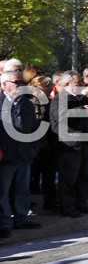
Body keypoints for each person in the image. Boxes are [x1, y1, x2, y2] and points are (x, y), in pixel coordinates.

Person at [0, 70, 42, 238]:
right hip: (5, 156)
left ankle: (21, 218)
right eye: (16, 83)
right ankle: (4, 222)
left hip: (24, 155)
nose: (19, 86)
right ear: (5, 85)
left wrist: (33, 149)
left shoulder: (26, 103)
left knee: (23, 190)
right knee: (2, 192)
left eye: (21, 83)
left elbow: (33, 129)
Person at [50, 71, 88, 217]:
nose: (82, 85)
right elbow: (62, 115)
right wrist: (83, 110)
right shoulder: (60, 99)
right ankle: (67, 207)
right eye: (78, 83)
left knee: (84, 177)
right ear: (67, 84)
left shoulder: (81, 99)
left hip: (83, 143)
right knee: (69, 178)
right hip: (69, 144)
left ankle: (81, 203)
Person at [28, 75, 58, 211]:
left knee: (49, 176)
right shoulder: (31, 103)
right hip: (37, 145)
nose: (50, 91)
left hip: (48, 145)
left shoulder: (47, 102)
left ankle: (50, 202)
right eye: (47, 89)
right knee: (30, 177)